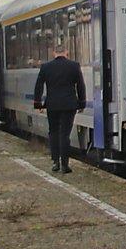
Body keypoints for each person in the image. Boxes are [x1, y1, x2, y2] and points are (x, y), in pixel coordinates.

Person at [33, 44, 86, 174]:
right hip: (69, 104)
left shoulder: (46, 67)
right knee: (65, 134)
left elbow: (38, 85)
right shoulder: (74, 66)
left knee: (54, 132)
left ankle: (55, 162)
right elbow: (80, 85)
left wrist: (38, 103)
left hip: (52, 104)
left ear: (54, 53)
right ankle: (65, 165)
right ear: (66, 52)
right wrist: (82, 103)